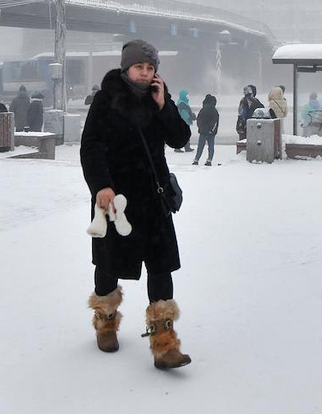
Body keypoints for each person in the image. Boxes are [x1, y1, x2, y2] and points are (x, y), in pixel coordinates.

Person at [81, 39, 193, 369]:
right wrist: (100, 185)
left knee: (161, 268)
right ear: (126, 68)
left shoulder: (159, 98)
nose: (144, 73)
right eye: (139, 67)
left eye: (150, 68)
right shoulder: (106, 99)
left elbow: (180, 139)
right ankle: (106, 322)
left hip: (153, 198)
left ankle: (164, 343)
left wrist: (164, 107)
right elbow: (91, 146)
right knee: (108, 266)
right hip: (115, 200)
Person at [193, 94, 219, 166]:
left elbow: (199, 120)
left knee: (200, 146)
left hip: (202, 131)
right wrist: (211, 130)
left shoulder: (202, 110)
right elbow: (215, 122)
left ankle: (196, 159)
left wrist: (201, 128)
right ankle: (209, 160)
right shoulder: (214, 111)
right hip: (211, 132)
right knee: (211, 147)